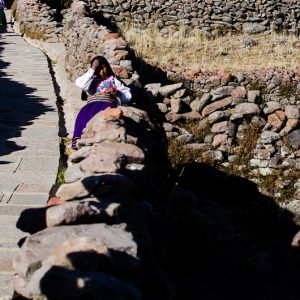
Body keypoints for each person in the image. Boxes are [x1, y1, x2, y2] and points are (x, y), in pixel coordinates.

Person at [72, 56, 132, 149]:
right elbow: (80, 84)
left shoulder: (113, 80)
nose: (102, 72)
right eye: (99, 69)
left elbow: (127, 96)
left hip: (108, 105)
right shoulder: (89, 80)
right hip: (90, 108)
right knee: (83, 117)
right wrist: (92, 69)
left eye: (104, 68)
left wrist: (117, 93)